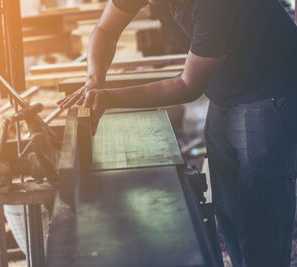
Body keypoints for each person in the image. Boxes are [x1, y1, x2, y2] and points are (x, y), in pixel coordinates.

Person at [58, 0, 297, 266]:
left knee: (259, 215)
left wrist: (110, 98)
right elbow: (105, 31)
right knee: (230, 209)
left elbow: (188, 85)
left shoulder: (215, 6)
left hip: (270, 91)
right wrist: (94, 78)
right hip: (227, 91)